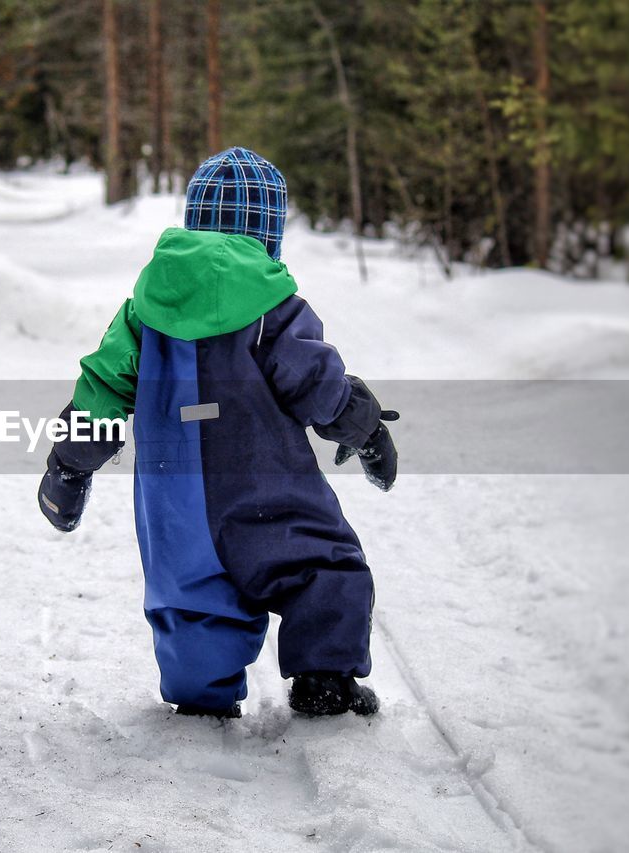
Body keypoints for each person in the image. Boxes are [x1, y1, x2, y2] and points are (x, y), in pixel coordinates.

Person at [37, 147, 398, 719]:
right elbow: (318, 384)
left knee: (191, 598)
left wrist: (69, 463)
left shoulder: (145, 310)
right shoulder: (274, 308)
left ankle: (201, 696)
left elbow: (102, 389)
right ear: (270, 233)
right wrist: (366, 426)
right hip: (266, 489)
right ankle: (324, 680)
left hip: (175, 498)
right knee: (325, 569)